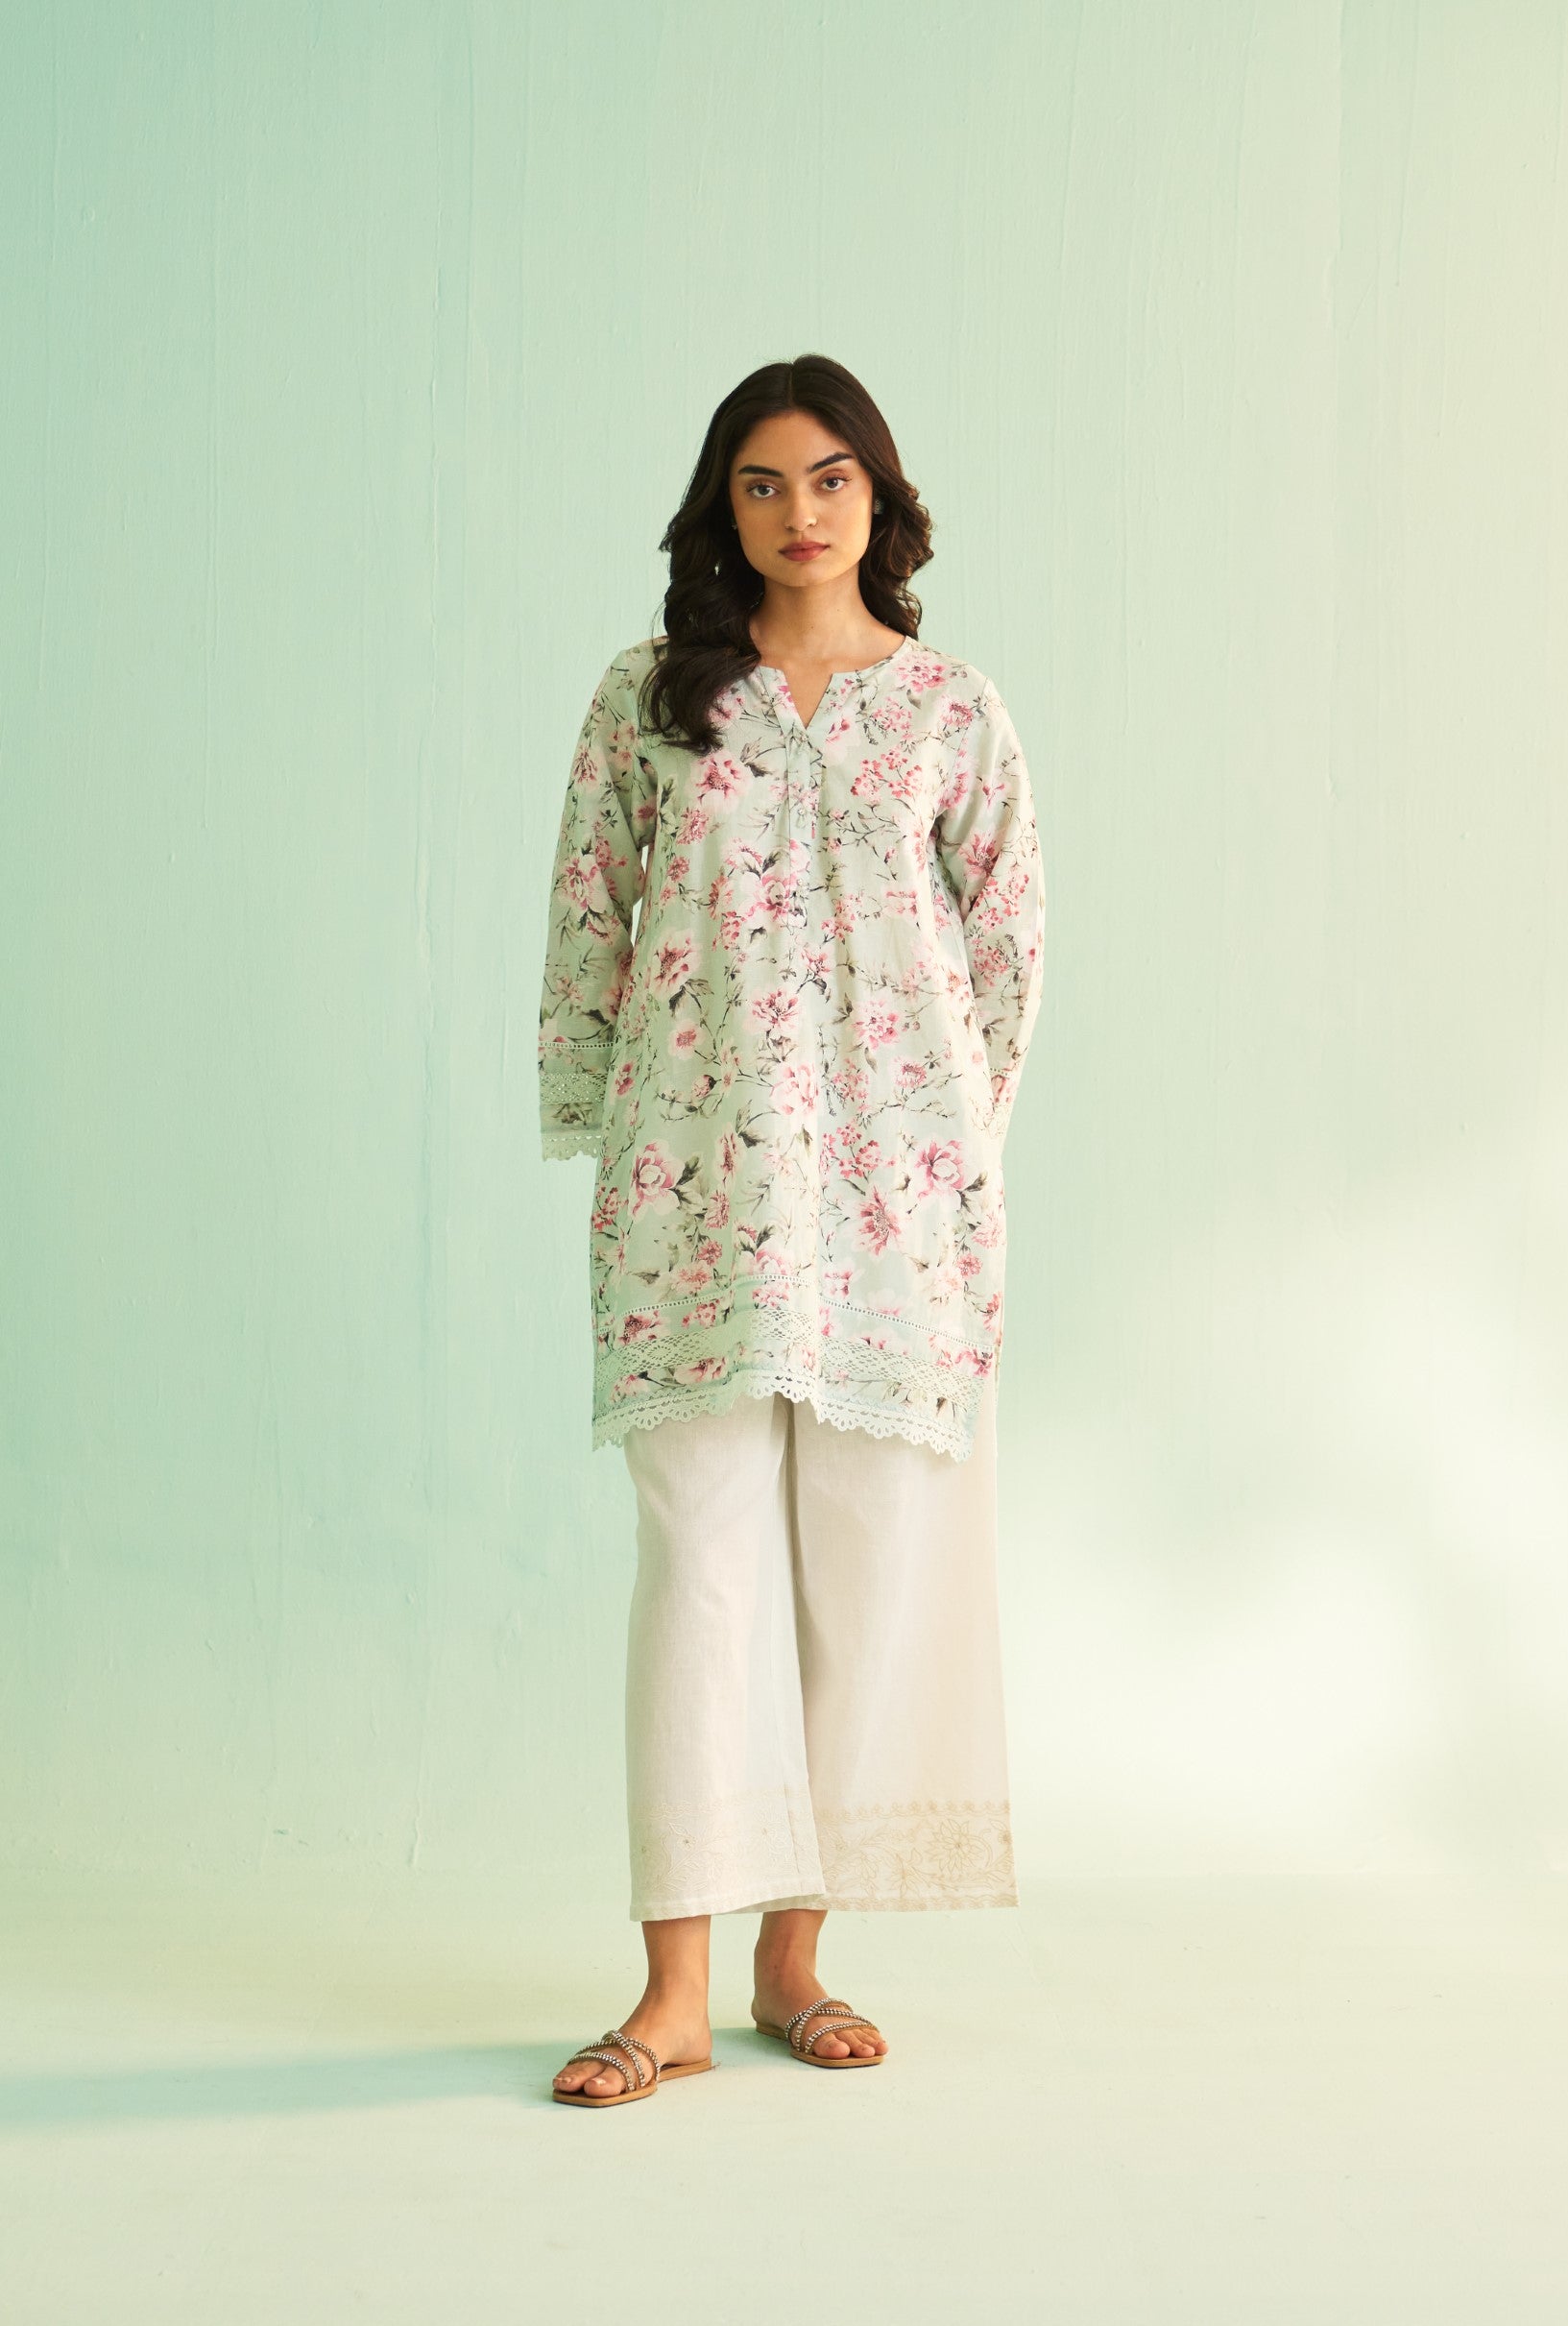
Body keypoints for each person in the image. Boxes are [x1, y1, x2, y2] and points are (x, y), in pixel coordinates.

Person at [536, 354, 1046, 2106]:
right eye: (761, 483)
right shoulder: (651, 698)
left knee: (862, 1570)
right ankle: (670, 1989)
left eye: (831, 479)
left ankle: (791, 1963)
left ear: (878, 500)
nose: (799, 511)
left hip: (896, 1207)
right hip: (693, 1195)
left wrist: (952, 1157)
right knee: (701, 1568)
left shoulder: (952, 711)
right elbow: (588, 918)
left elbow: (1007, 954)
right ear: (723, 509)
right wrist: (608, 1125)